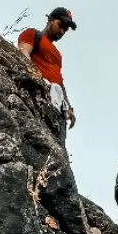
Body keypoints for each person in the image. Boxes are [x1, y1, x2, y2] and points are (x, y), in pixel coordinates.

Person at [17, 8, 76, 140]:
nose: (61, 32)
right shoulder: (32, 34)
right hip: (38, 92)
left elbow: (59, 80)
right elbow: (23, 53)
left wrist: (68, 106)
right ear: (49, 20)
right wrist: (35, 76)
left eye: (65, 30)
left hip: (56, 102)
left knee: (55, 144)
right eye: (60, 26)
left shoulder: (58, 55)